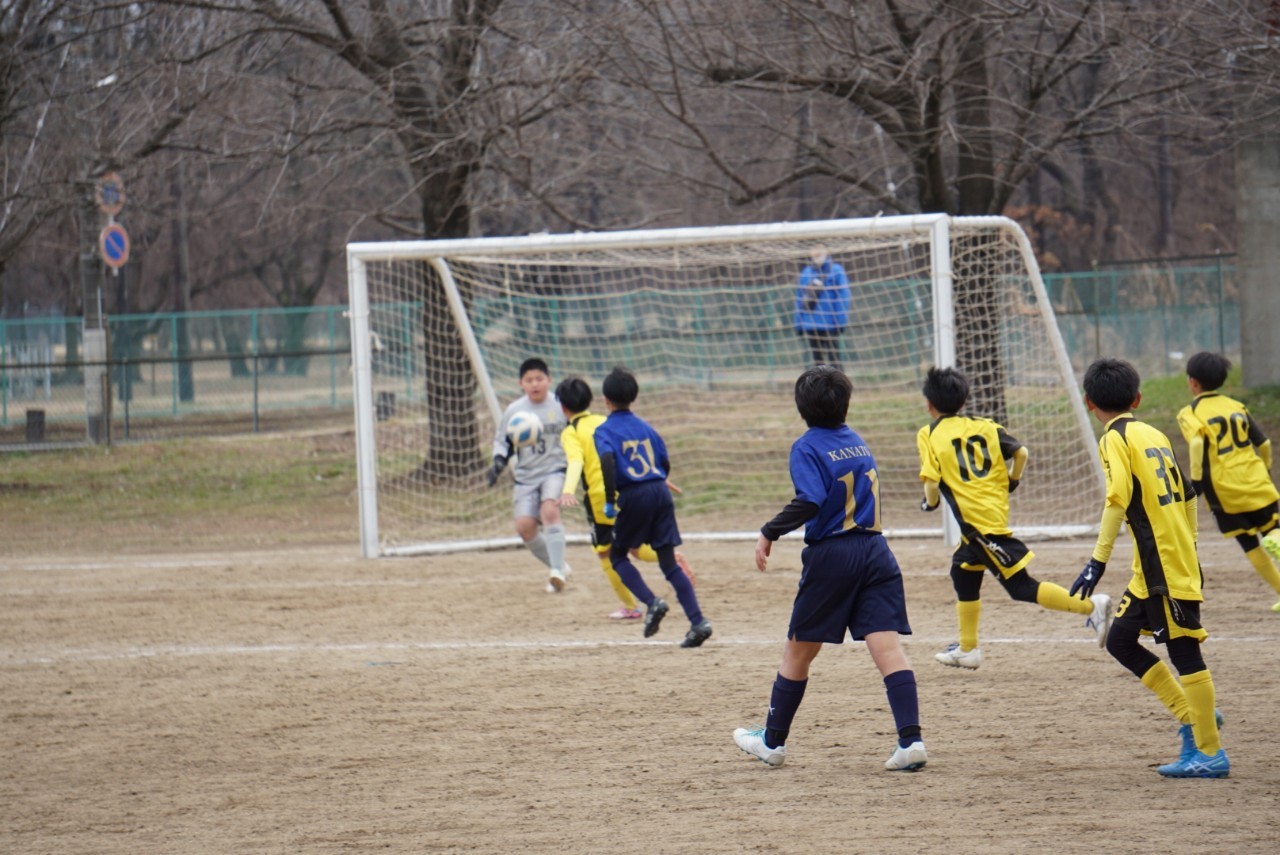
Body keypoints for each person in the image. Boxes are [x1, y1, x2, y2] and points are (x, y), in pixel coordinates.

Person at [733, 365, 926, 771]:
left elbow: (811, 499)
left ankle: (771, 742)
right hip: (876, 551)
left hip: (833, 556)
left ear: (801, 408)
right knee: (888, 648)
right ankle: (911, 741)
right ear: (846, 404)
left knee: (798, 651)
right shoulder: (857, 441)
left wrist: (769, 531)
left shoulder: (806, 446)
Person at [1073, 357, 1228, 778]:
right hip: (1156, 565)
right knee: (1121, 641)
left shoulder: (1113, 439)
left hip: (1163, 565)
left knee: (1184, 652)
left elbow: (1116, 498)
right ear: (1137, 398)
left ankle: (1210, 753)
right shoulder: (1153, 432)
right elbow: (1190, 492)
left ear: (1089, 403)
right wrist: (1189, 542)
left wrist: (1096, 561)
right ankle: (1193, 718)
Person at [916, 366, 1113, 670]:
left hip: (981, 526)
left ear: (929, 405)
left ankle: (1091, 606)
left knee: (1021, 588)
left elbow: (931, 483)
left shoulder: (929, 434)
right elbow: (1021, 452)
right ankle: (968, 649)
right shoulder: (987, 426)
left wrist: (929, 505)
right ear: (964, 401)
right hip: (985, 520)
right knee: (963, 573)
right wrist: (1013, 480)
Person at [556, 376, 694, 620]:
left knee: (606, 553)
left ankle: (631, 606)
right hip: (628, 491)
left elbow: (576, 461)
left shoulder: (571, 432)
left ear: (563, 407)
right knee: (635, 547)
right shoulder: (603, 421)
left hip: (601, 501)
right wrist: (658, 477)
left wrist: (567, 490)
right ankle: (671, 559)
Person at [593, 366, 712, 647]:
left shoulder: (604, 430)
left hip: (633, 495)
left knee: (618, 556)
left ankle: (652, 602)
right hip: (660, 491)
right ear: (633, 397)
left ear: (606, 400)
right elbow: (664, 461)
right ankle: (698, 622)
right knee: (668, 563)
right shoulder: (647, 427)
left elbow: (608, 462)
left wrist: (610, 500)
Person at [1176, 351, 1280, 611]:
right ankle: (1276, 537)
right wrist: (1265, 468)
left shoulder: (1190, 413)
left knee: (1249, 543)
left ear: (1193, 382)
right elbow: (1264, 443)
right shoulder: (1237, 407)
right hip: (1257, 483)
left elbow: (1198, 442)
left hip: (1225, 493)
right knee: (1272, 528)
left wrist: (1197, 484)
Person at [486, 358, 571, 593]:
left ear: (548, 380)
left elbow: (576, 432)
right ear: (521, 383)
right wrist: (498, 462)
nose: (535, 384)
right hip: (526, 476)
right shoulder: (515, 410)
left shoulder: (560, 406)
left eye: (539, 379)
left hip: (554, 470)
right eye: (529, 380)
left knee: (550, 510)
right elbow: (503, 441)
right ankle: (560, 566)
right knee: (525, 528)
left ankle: (555, 573)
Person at [794, 245, 851, 370]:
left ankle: (839, 387)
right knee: (817, 362)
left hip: (830, 323)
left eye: (820, 248)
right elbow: (800, 299)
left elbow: (843, 296)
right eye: (814, 248)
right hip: (811, 324)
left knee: (834, 359)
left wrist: (840, 321)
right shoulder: (806, 273)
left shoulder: (836, 270)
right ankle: (819, 388)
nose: (817, 252)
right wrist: (798, 323)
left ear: (826, 251)